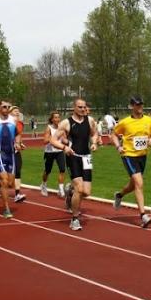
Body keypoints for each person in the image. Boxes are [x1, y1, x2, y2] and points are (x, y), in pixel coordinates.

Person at [111, 96, 151, 228]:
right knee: (139, 183)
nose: (140, 107)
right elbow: (113, 134)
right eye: (137, 105)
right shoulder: (125, 122)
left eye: (141, 104)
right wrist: (118, 147)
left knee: (133, 185)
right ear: (131, 106)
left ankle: (119, 195)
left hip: (142, 156)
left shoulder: (148, 120)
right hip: (129, 155)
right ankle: (143, 215)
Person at [52, 99, 98, 231]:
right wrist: (64, 147)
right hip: (73, 157)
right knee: (80, 188)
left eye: (84, 107)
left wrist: (94, 142)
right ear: (74, 108)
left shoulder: (90, 120)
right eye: (80, 107)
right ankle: (75, 219)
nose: (83, 109)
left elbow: (94, 133)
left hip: (87, 158)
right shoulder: (66, 123)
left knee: (86, 192)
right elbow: (53, 140)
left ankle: (70, 192)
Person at [40, 111, 67, 198]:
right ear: (52, 119)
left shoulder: (61, 128)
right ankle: (43, 185)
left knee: (62, 169)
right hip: (49, 152)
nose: (57, 119)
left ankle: (61, 189)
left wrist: (68, 142)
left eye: (58, 117)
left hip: (59, 151)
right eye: (55, 117)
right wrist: (52, 137)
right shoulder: (49, 128)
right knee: (47, 171)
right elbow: (44, 141)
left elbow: (64, 140)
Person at [10, 106, 27, 203]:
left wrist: (20, 144)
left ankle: (17, 194)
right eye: (15, 111)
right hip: (6, 151)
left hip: (16, 151)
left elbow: (19, 136)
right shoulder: (7, 123)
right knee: (8, 179)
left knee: (18, 170)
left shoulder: (20, 124)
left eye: (18, 111)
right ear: (10, 113)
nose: (17, 112)